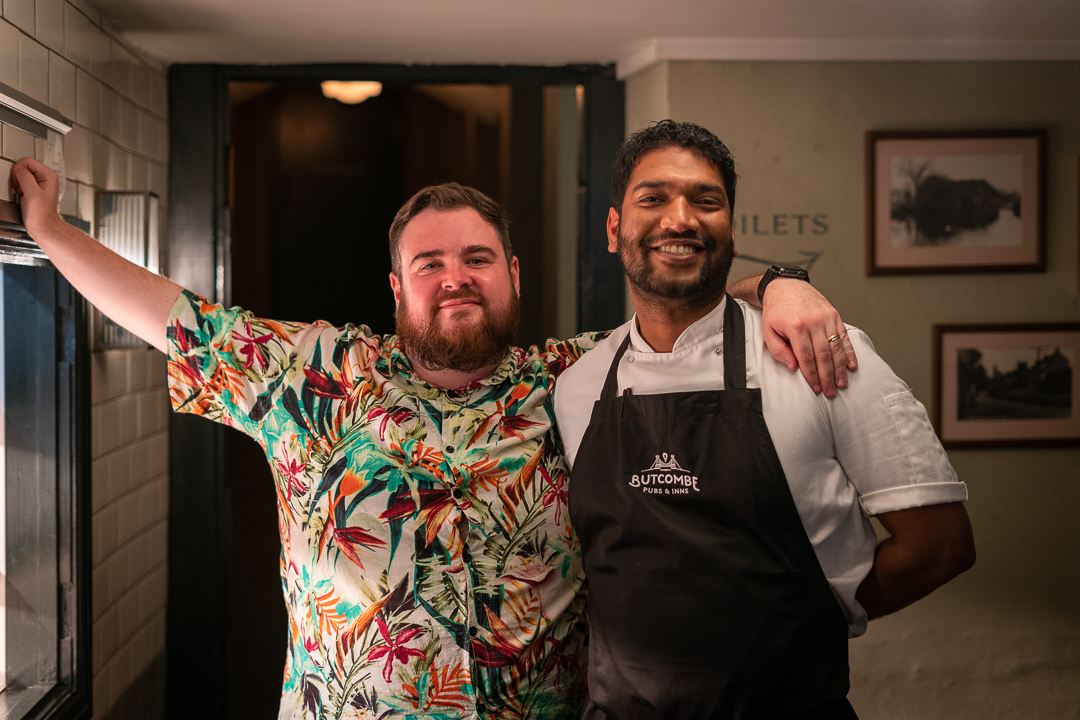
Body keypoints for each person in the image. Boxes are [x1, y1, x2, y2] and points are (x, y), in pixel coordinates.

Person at [12, 157, 853, 719]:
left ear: (513, 276)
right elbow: (175, 320)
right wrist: (49, 235)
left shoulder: (584, 379)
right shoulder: (318, 374)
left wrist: (780, 285)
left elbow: (695, 306)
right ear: (396, 289)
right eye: (430, 263)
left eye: (479, 258)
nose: (457, 277)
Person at [553, 120, 976, 720]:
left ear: (730, 227)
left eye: (707, 200)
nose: (681, 219)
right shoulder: (578, 385)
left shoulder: (822, 355)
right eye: (653, 198)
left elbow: (941, 546)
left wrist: (822, 617)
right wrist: (776, 280)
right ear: (615, 228)